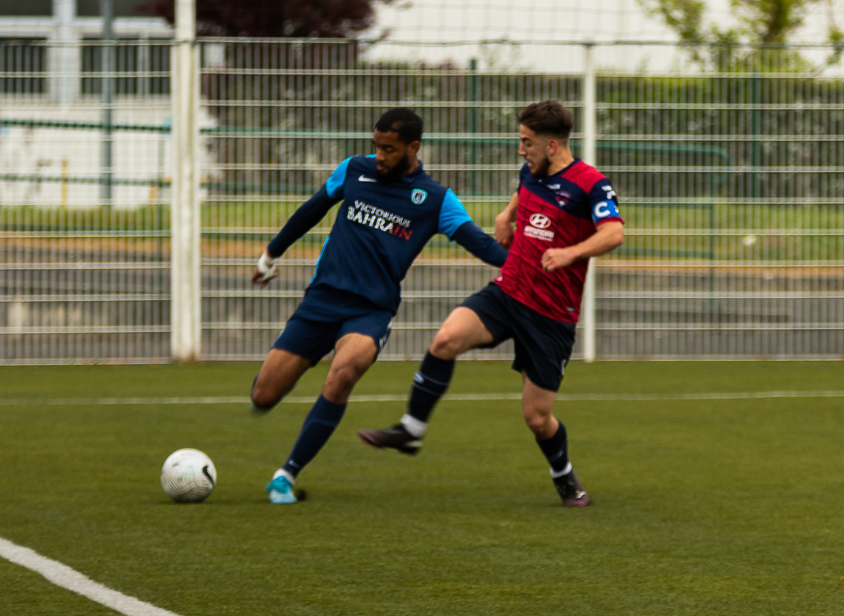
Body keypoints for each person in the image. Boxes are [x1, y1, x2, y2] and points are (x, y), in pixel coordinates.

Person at [357, 99, 625, 507]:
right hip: (508, 291)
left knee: (537, 417)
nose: (521, 149)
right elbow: (525, 191)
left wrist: (570, 254)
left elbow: (613, 233)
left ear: (552, 145)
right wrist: (506, 215)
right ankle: (411, 429)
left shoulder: (590, 183)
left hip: (551, 315)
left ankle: (564, 476)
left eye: (526, 142)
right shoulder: (531, 170)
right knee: (446, 338)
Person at [248, 107, 507, 504]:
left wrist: (539, 261)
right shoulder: (353, 170)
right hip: (321, 300)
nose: (380, 156)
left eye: (389, 149)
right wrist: (271, 254)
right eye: (376, 147)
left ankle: (286, 475)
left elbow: (484, 246)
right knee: (263, 396)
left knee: (344, 372)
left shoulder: (437, 200)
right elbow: (313, 209)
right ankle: (292, 377)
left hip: (371, 311)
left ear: (413, 147)